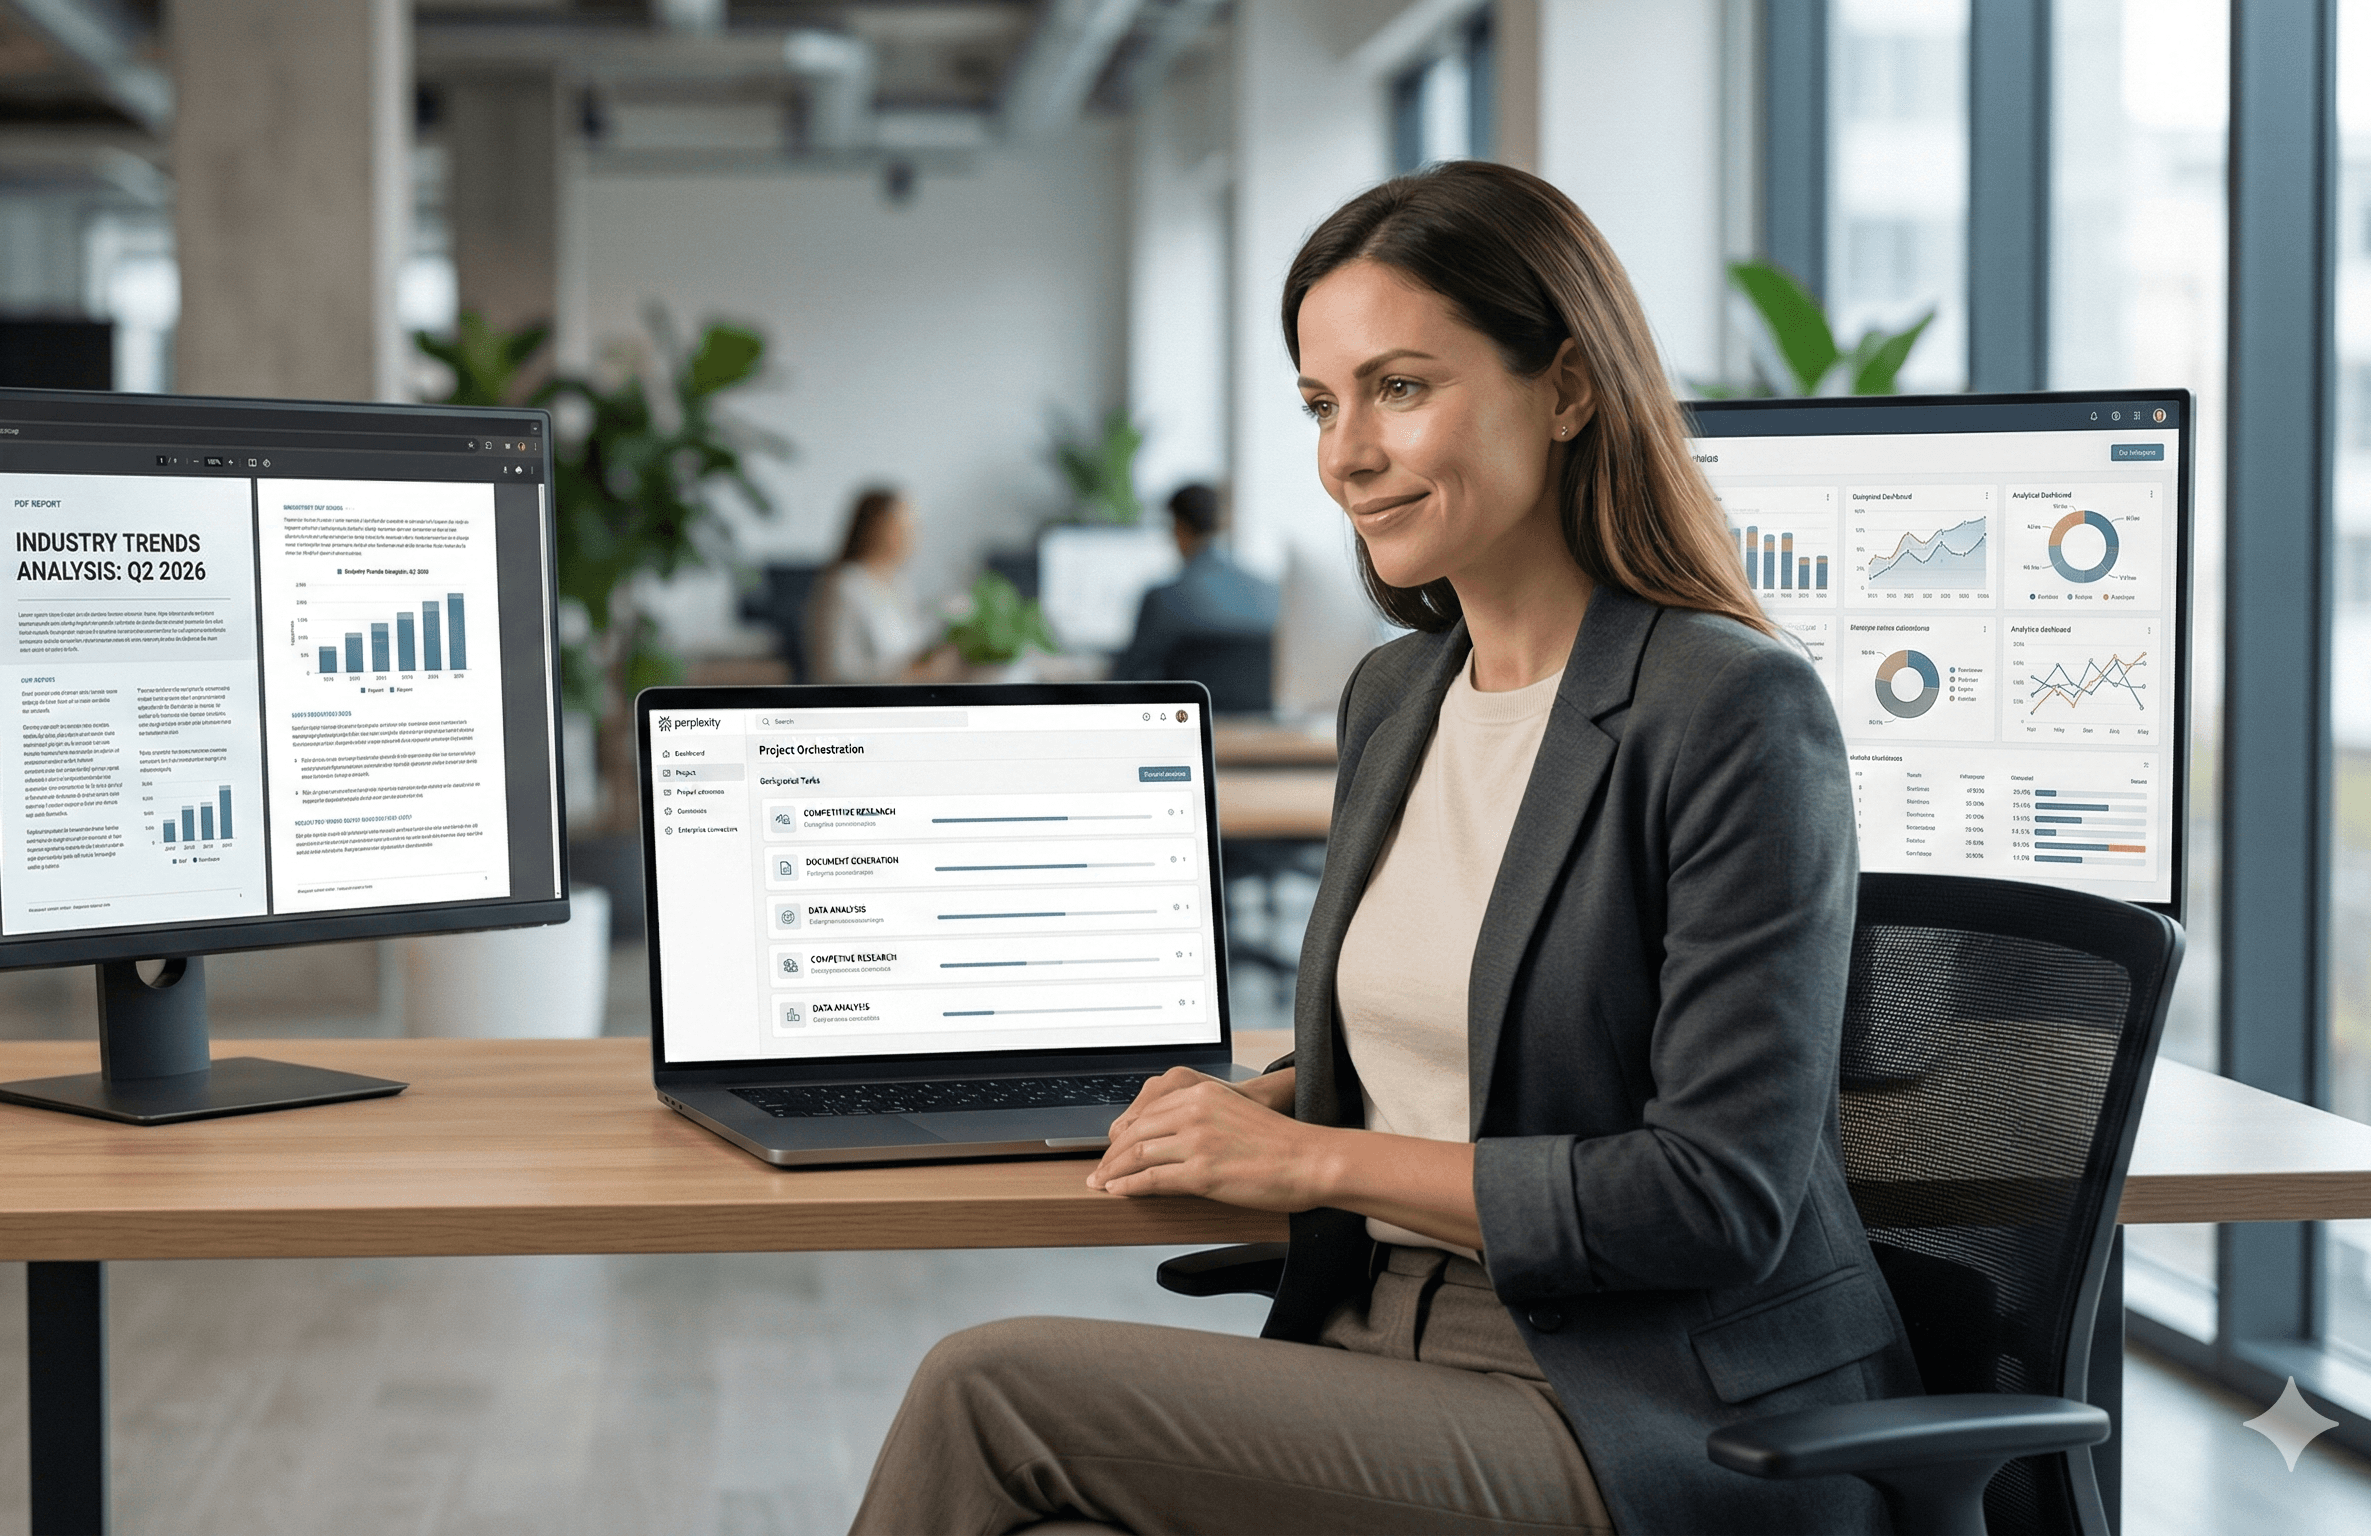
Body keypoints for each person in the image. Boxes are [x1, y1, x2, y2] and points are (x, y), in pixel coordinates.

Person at [851, 162, 1917, 1535]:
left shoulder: (1729, 708)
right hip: (1378, 1340)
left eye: (1399, 388)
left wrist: (1308, 1162)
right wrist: (1266, 1099)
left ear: (1568, 389)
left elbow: (1713, 1196)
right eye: (1319, 403)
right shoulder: (1398, 695)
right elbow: (1488, 1040)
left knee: (986, 1393)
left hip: (1640, 1405)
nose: (1344, 454)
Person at [1112, 483, 1281, 683]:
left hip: (1187, 704)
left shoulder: (1162, 600)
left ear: (1178, 527)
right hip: (1258, 703)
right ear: (1221, 523)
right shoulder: (1273, 593)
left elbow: (1128, 677)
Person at [805, 488, 949, 684]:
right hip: (863, 700)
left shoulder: (899, 585)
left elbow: (910, 650)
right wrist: (910, 675)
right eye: (904, 528)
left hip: (906, 696)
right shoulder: (844, 586)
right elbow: (837, 671)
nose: (914, 537)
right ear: (878, 529)